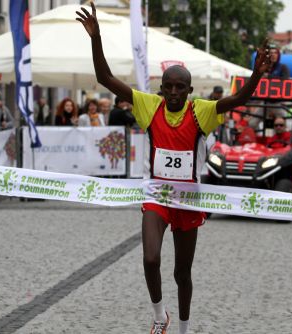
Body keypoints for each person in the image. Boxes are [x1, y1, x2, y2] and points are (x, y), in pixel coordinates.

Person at [76, 3, 272, 333]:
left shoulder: (202, 111)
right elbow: (104, 77)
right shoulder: (149, 105)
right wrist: (96, 38)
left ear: (189, 90)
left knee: (183, 274)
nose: (173, 92)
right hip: (156, 195)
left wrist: (255, 75)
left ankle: (182, 327)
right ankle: (159, 317)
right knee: (150, 258)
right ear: (161, 87)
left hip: (187, 199)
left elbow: (237, 101)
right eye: (168, 86)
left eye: (180, 87)